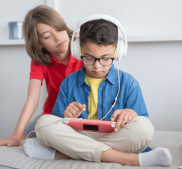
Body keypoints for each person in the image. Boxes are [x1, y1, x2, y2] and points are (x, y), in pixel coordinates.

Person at [23, 15, 172, 167]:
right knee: (43, 123)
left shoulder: (129, 83)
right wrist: (66, 116)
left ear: (117, 53)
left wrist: (131, 114)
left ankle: (65, 154)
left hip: (114, 136)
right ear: (78, 51)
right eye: (89, 58)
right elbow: (57, 121)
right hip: (80, 135)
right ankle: (125, 158)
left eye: (105, 58)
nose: (97, 66)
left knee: (144, 128)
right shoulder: (68, 82)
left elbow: (141, 121)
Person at [0, 5, 83, 148]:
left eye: (59, 29)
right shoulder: (39, 61)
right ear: (39, 44)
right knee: (24, 141)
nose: (58, 37)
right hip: (52, 116)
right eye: (47, 36)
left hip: (83, 114)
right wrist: (16, 136)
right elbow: (33, 99)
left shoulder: (85, 48)